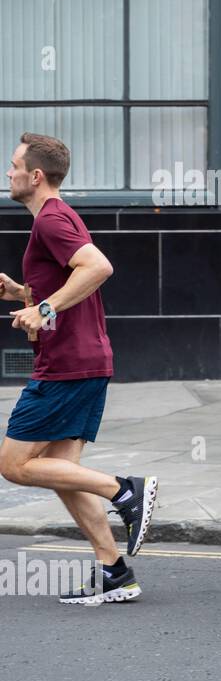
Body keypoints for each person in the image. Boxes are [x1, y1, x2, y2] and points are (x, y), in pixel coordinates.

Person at [0, 133, 158, 605]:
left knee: (13, 465)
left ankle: (126, 490)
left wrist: (44, 309)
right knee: (60, 473)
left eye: (12, 166)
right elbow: (67, 279)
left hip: (67, 366)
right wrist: (20, 294)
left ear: (35, 176)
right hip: (81, 360)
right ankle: (114, 572)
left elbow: (97, 267)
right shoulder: (53, 219)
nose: (7, 174)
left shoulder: (51, 219)